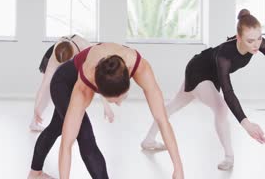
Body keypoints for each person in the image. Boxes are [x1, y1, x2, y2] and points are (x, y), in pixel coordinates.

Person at [141, 9, 265, 170]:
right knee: (220, 108)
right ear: (238, 38)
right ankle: (229, 157)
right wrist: (246, 123)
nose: (256, 44)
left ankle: (148, 139)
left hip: (209, 73)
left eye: (259, 38)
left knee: (174, 105)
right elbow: (228, 91)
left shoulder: (259, 44)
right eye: (250, 41)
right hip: (198, 71)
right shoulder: (225, 55)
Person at [28, 42, 184, 179]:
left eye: (120, 98)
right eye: (113, 100)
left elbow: (162, 120)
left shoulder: (140, 67)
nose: (119, 104)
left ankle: (34, 173)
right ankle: (35, 173)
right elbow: (66, 144)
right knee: (85, 137)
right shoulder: (84, 86)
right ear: (98, 89)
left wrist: (178, 169)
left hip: (82, 74)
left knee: (55, 128)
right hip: (62, 82)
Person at [31, 35, 114, 132]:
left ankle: (72, 123)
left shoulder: (86, 48)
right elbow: (44, 85)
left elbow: (97, 78)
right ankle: (34, 122)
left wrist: (106, 106)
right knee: (48, 89)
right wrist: (36, 108)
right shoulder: (55, 57)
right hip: (58, 51)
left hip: (78, 51)